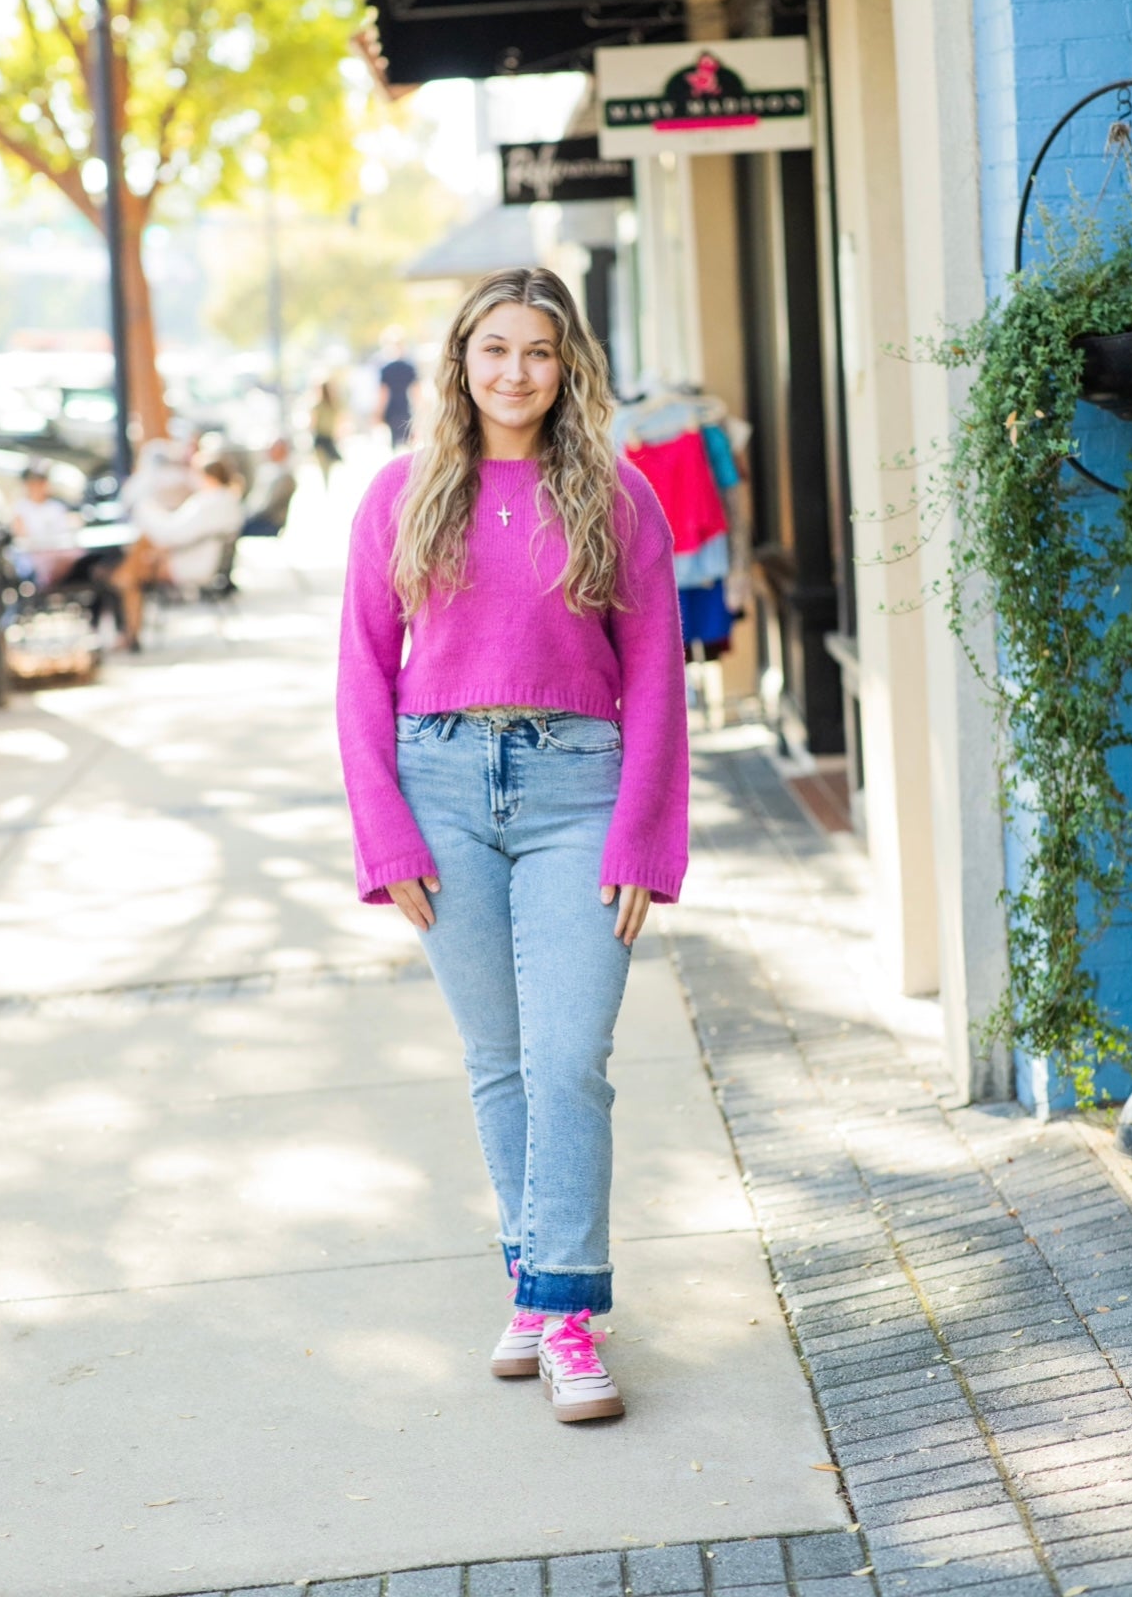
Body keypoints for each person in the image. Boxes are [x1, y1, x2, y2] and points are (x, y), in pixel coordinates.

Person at [337, 268, 689, 1424]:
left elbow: (653, 679)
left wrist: (643, 839)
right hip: (438, 786)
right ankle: (534, 1293)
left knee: (569, 1057)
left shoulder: (619, 496)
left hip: (579, 791)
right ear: (462, 358)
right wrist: (385, 832)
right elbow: (360, 675)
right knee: (498, 1059)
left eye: (538, 351)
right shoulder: (401, 493)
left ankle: (569, 1313)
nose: (515, 372)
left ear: (566, 364)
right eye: (495, 348)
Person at [109, 458, 242, 650]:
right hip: (199, 560)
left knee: (132, 573)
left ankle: (129, 633)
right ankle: (128, 627)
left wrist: (146, 509)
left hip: (194, 566)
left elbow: (172, 534)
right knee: (139, 558)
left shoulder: (210, 502)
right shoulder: (224, 500)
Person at [11, 463, 85, 590]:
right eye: (33, 483)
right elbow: (22, 539)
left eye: (41, 482)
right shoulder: (21, 509)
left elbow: (67, 533)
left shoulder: (57, 507)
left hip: (60, 552)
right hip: (35, 557)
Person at [241, 438, 297, 537]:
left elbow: (269, 506)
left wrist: (248, 516)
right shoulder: (266, 470)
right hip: (256, 516)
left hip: (270, 522)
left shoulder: (285, 476)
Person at [375, 327, 419, 450]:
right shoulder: (409, 367)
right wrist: (419, 413)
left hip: (392, 409)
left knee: (394, 444)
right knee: (409, 444)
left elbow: (383, 394)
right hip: (405, 408)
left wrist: (378, 413)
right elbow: (417, 393)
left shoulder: (386, 369)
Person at [310, 379, 341, 486]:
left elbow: (313, 425)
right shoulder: (333, 406)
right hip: (329, 438)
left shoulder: (318, 407)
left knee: (324, 467)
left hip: (321, 438)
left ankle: (327, 485)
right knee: (330, 465)